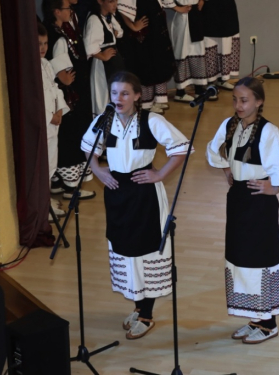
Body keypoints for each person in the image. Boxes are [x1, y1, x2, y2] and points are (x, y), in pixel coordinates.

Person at [81, 71, 193, 339]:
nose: (118, 98)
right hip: (117, 193)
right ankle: (138, 305)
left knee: (145, 250)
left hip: (144, 194)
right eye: (114, 93)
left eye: (124, 93)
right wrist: (99, 171)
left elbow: (181, 147)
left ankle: (146, 313)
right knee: (125, 248)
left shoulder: (152, 121)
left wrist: (160, 174)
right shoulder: (103, 121)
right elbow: (88, 148)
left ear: (137, 96)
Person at [206, 77, 279, 344]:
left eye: (244, 100)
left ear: (259, 102)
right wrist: (227, 169)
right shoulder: (230, 125)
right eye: (235, 99)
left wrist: (273, 188)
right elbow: (214, 150)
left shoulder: (269, 132)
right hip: (237, 199)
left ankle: (269, 322)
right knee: (241, 257)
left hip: (259, 204)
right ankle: (254, 317)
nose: (238, 105)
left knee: (261, 258)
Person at [42, 0, 96, 200]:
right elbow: (63, 75)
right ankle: (71, 186)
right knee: (70, 138)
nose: (70, 11)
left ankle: (57, 181)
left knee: (66, 137)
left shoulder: (60, 32)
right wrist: (68, 78)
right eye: (67, 8)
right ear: (57, 11)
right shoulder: (58, 37)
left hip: (67, 97)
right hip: (69, 98)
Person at [116, 0, 176, 114]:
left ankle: (156, 99)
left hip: (153, 28)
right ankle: (146, 104)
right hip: (142, 33)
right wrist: (133, 26)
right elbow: (121, 7)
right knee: (145, 64)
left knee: (156, 61)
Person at [38, 22, 70, 219]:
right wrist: (49, 116)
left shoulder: (46, 64)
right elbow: (33, 99)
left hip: (54, 123)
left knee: (51, 165)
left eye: (45, 43)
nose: (43, 48)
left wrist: (59, 111)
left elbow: (56, 90)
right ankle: (41, 209)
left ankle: (47, 204)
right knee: (42, 167)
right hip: (44, 124)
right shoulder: (29, 69)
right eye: (39, 44)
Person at [164, 0, 218, 103]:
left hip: (195, 15)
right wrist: (177, 8)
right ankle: (180, 92)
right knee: (182, 52)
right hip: (183, 17)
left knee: (197, 51)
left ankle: (199, 88)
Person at [83, 0, 124, 116]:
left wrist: (113, 33)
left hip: (113, 64)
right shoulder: (94, 19)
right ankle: (104, 129)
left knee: (114, 96)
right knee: (104, 97)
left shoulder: (108, 17)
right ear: (100, 1)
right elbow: (89, 45)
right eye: (111, 1)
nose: (115, 4)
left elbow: (120, 31)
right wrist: (102, 56)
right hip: (102, 66)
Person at [201, 0, 240, 90]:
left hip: (227, 7)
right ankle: (210, 82)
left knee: (225, 43)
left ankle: (222, 79)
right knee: (210, 42)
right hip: (210, 8)